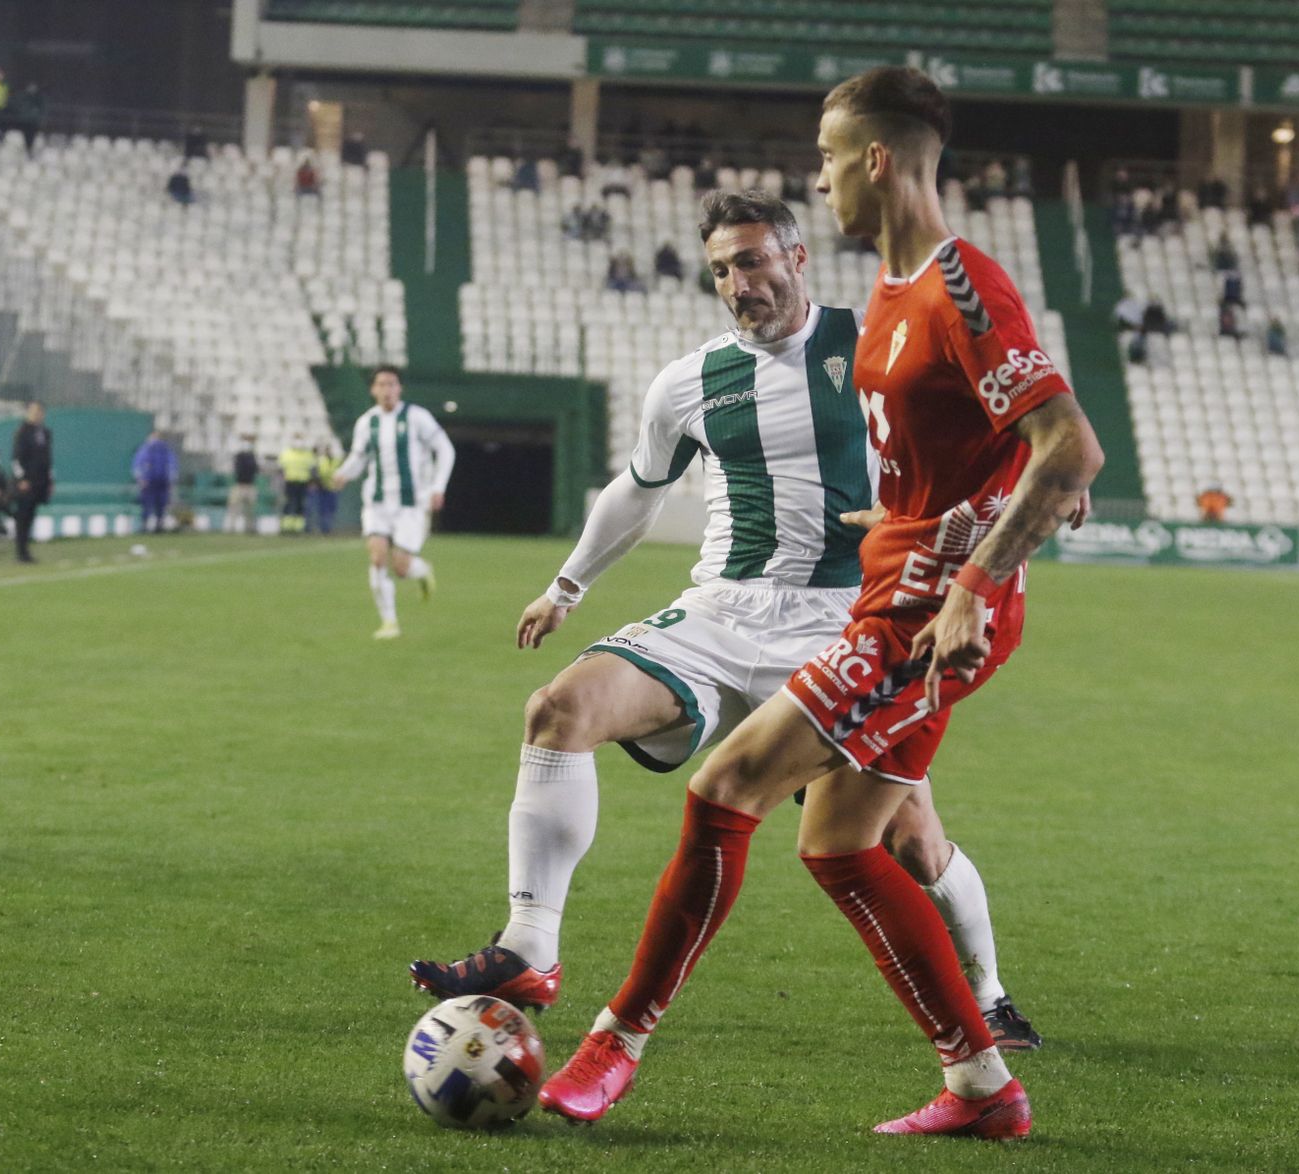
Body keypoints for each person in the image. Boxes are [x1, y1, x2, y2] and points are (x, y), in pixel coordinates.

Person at [537, 66, 1102, 1135]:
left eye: (831, 155)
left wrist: (976, 579)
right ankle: (982, 1086)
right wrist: (901, 524)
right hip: (896, 588)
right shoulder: (889, 297)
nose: (823, 174)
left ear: (877, 160)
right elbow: (979, 455)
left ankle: (614, 1045)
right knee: (839, 845)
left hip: (927, 616)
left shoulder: (956, 286)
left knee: (726, 787)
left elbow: (1066, 447)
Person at [410, 189, 1044, 1056]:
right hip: (720, 611)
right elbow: (638, 489)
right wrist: (566, 587)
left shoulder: (875, 342)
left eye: (751, 260)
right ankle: (529, 949)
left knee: (909, 842)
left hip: (844, 621)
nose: (737, 282)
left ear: (795, 258)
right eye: (720, 269)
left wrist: (1017, 505)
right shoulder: (689, 381)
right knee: (558, 711)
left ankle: (991, 996)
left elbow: (1000, 425)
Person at [330, 366, 455, 639]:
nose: (387, 390)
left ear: (399, 389)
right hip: (377, 503)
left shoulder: (416, 417)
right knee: (377, 558)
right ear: (373, 389)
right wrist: (343, 473)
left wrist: (438, 486)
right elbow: (359, 457)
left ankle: (422, 571)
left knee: (401, 567)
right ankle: (389, 622)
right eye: (382, 384)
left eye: (392, 384)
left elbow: (445, 448)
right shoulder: (367, 422)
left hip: (411, 504)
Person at [12, 400, 52, 563]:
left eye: (39, 412)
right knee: (23, 516)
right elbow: (16, 458)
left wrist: (49, 479)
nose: (36, 415)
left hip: (39, 482)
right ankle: (21, 552)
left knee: (31, 515)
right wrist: (21, 479)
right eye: (33, 411)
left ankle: (26, 550)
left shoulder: (45, 433)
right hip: (26, 482)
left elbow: (47, 458)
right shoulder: (22, 432)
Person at [131, 430, 179, 534]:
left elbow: (172, 465)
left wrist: (171, 480)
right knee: (148, 504)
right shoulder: (147, 450)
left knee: (160, 504)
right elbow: (138, 465)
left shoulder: (164, 451)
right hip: (151, 482)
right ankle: (147, 525)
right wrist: (140, 478)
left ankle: (157, 525)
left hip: (160, 482)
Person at [277, 435, 317, 534]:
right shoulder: (286, 453)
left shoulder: (307, 454)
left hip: (303, 482)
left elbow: (313, 469)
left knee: (300, 504)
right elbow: (281, 469)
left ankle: (298, 527)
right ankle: (286, 527)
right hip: (290, 482)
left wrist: (312, 482)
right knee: (288, 504)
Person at [226, 438, 259, 534]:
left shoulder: (252, 456)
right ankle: (231, 528)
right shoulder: (239, 456)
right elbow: (237, 469)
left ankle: (250, 528)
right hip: (239, 485)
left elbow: (256, 469)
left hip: (250, 485)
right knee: (234, 508)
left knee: (251, 510)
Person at [311, 444, 341, 535]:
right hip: (323, 488)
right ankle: (324, 528)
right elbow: (315, 473)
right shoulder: (321, 461)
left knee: (331, 509)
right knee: (323, 509)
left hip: (333, 488)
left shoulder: (336, 461)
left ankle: (329, 527)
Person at [16, 83, 44, 155]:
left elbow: (42, 110)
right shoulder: (23, 97)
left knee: (32, 136)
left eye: (33, 88)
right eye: (31, 88)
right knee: (25, 136)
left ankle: (30, 149)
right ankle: (26, 149)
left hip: (33, 122)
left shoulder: (38, 99)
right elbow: (20, 108)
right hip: (25, 121)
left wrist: (39, 119)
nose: (32, 89)